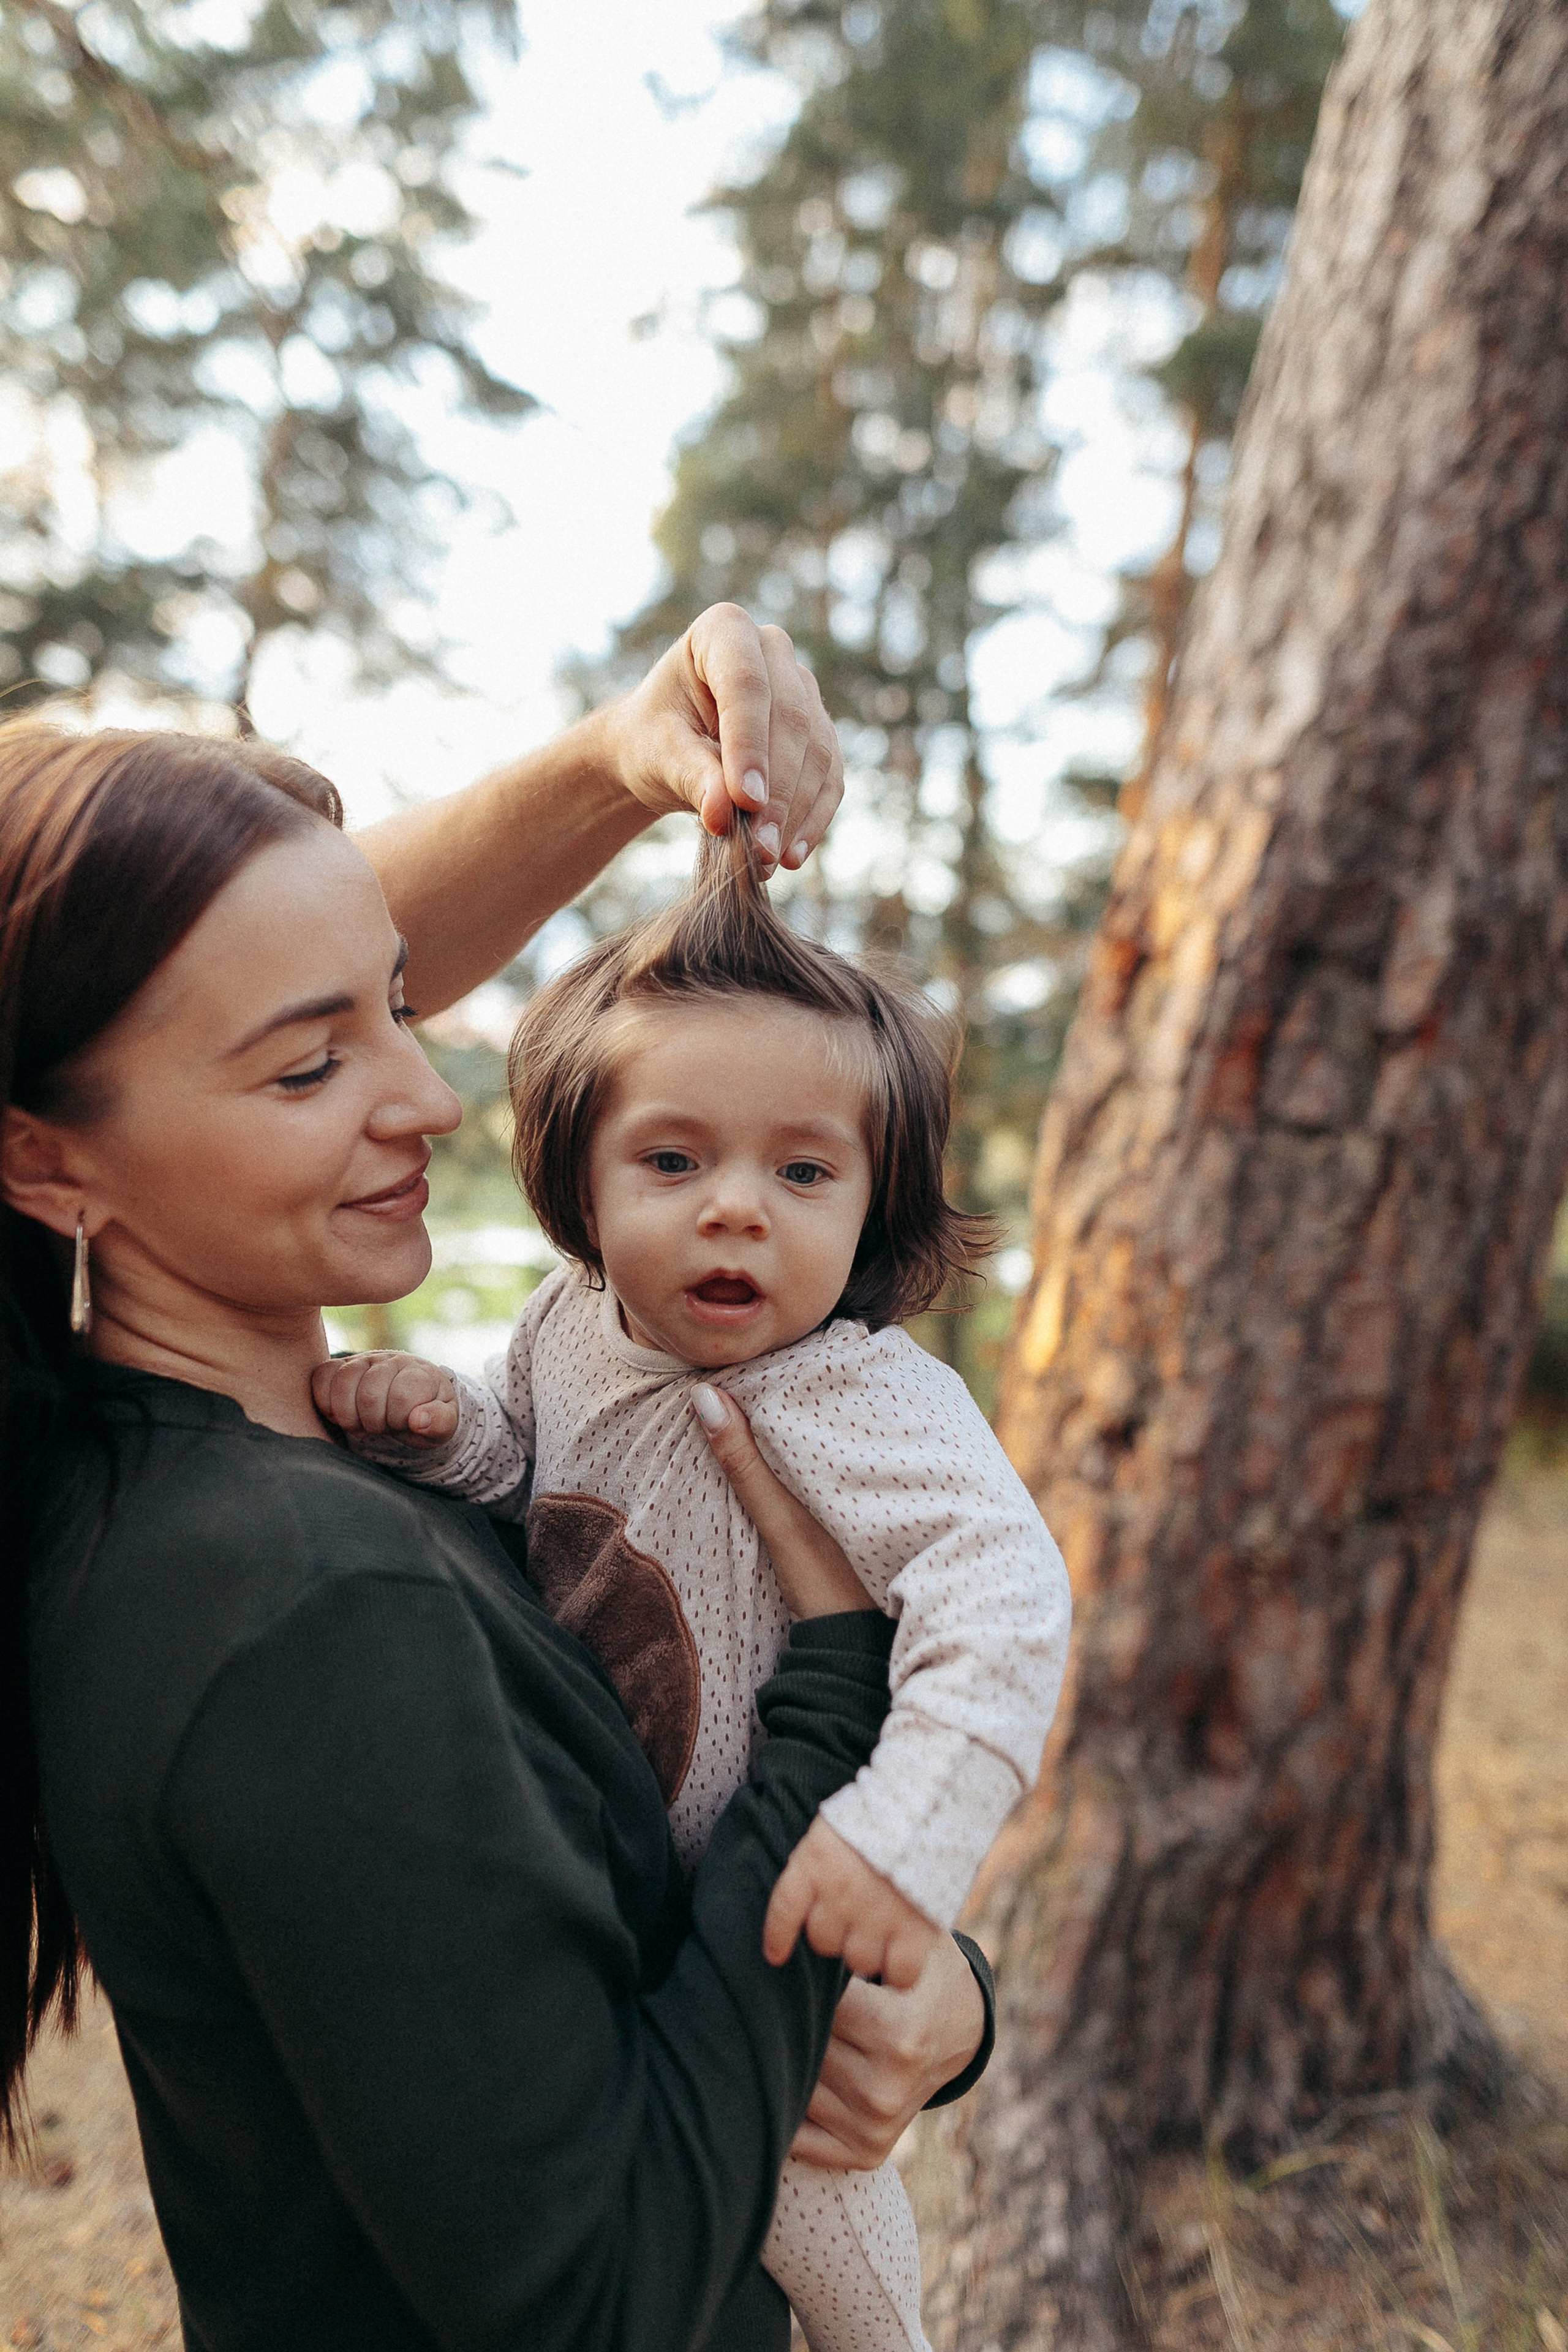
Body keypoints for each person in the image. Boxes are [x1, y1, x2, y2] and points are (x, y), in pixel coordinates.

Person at [0, 614, 993, 2352]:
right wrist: (838, 1701)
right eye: (314, 1064)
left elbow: (614, 1951)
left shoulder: (279, 1477)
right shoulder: (312, 1608)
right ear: (44, 1157)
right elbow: (585, 2301)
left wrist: (932, 1997)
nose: (430, 1096)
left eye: (402, 1003)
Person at [314, 820, 1072, 2352]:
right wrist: (445, 1423)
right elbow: (526, 1477)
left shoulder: (863, 1400)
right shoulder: (566, 1327)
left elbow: (1004, 1597)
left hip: (780, 1898)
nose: (737, 1208)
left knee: (815, 2194)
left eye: (803, 1171)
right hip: (619, 1905)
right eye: (673, 1160)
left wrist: (900, 1834)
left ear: (876, 1205)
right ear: (578, 1185)